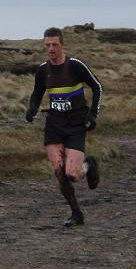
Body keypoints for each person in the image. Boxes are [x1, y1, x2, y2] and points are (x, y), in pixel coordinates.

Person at [25, 27, 103, 227]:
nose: (51, 49)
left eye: (54, 45)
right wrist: (32, 109)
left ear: (62, 45)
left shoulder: (75, 66)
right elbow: (37, 93)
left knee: (72, 174)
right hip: (54, 125)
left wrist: (93, 114)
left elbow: (97, 87)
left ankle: (89, 165)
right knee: (59, 172)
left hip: (76, 124)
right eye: (47, 45)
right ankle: (76, 213)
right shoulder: (43, 70)